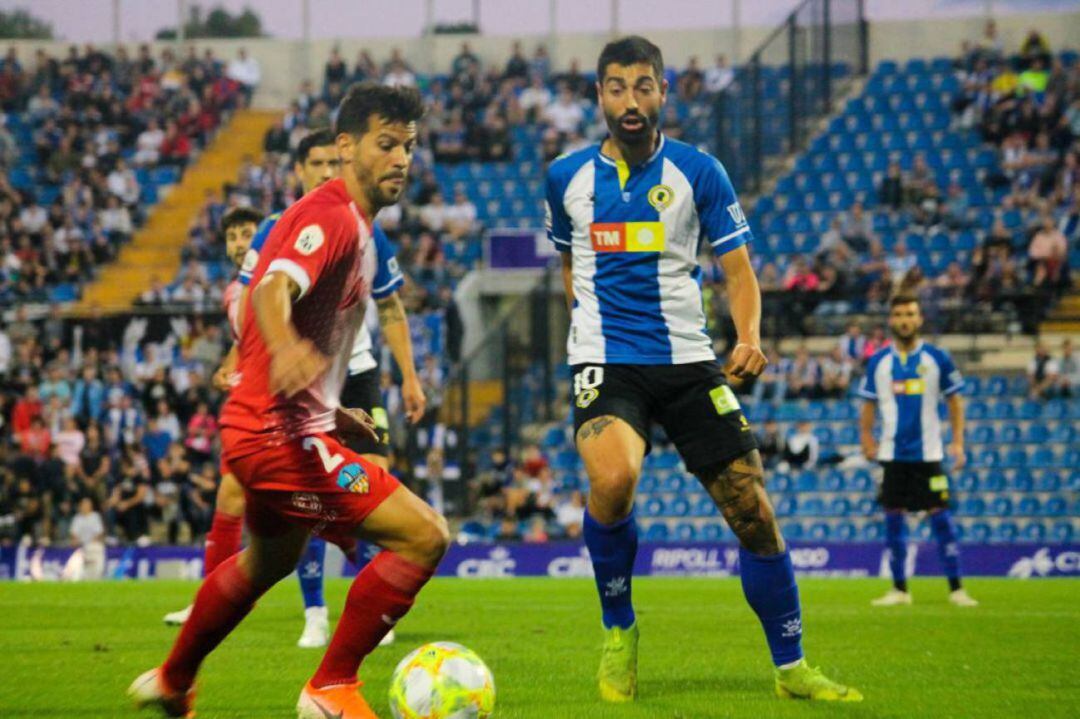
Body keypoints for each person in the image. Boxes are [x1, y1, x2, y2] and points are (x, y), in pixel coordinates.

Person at [545, 36, 860, 703]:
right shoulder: (564, 178)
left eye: (643, 86)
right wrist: (587, 323)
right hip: (607, 359)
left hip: (690, 361)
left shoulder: (699, 171)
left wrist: (748, 334)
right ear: (598, 96)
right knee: (615, 475)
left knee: (753, 509)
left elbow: (739, 270)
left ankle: (792, 665)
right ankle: (619, 627)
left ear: (664, 92)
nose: (630, 101)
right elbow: (570, 263)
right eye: (616, 87)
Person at [130, 82, 447, 719]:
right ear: (346, 146)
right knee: (425, 535)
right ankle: (330, 688)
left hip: (269, 431)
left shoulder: (357, 227)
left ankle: (172, 679)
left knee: (270, 558)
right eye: (386, 144)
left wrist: (332, 413)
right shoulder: (330, 215)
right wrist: (283, 348)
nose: (401, 160)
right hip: (279, 439)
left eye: (408, 147)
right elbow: (271, 291)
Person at [859, 295, 977, 608]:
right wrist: (867, 440)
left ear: (920, 318)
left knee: (942, 520)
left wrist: (958, 441)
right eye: (898, 314)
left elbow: (955, 401)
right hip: (893, 456)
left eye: (910, 313)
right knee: (893, 521)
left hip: (930, 455)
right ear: (891, 319)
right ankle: (900, 589)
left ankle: (956, 589)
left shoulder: (938, 358)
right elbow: (868, 404)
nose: (904, 320)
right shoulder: (879, 361)